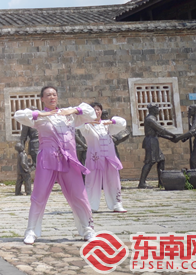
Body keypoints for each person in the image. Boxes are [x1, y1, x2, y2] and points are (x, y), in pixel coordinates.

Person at [14, 86, 96, 245]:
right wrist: (42, 113)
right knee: (39, 196)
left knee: (79, 195)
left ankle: (88, 229)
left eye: (54, 94)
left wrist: (75, 110)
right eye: (48, 95)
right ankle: (31, 230)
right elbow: (19, 115)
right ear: (42, 99)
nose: (52, 97)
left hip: (69, 160)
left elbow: (90, 113)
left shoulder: (69, 115)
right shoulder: (39, 118)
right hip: (47, 160)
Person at [76, 102, 127, 213]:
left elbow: (122, 123)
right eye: (94, 110)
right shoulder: (86, 126)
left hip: (109, 157)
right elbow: (77, 124)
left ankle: (117, 204)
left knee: (114, 180)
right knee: (92, 181)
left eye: (98, 109)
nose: (97, 111)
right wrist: (87, 119)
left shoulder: (107, 125)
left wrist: (111, 121)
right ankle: (91, 205)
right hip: (95, 157)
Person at [138, 104, 177, 189]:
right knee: (150, 161)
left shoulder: (152, 118)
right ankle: (142, 183)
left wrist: (170, 138)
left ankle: (161, 182)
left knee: (161, 160)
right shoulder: (150, 119)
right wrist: (173, 135)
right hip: (151, 142)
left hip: (154, 141)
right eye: (157, 108)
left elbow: (158, 133)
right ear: (152, 110)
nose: (159, 110)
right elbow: (161, 129)